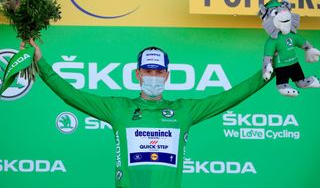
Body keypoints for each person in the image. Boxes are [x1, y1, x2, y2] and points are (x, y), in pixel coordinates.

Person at [23, 39, 271, 188]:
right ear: (137, 74)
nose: (153, 77)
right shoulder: (119, 108)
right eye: (148, 71)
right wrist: (40, 62)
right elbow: (72, 95)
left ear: (167, 75)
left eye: (158, 72)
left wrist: (266, 74)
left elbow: (230, 97)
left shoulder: (184, 110)